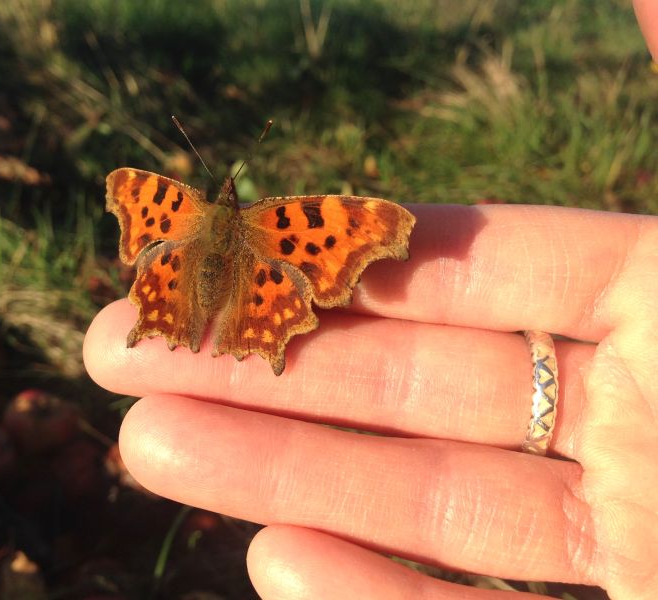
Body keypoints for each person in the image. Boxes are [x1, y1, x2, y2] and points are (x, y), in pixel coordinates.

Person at [84, 4, 658, 597]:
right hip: (257, 285)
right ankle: (205, 321)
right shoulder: (290, 221)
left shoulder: (171, 201)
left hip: (190, 271)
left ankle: (184, 318)